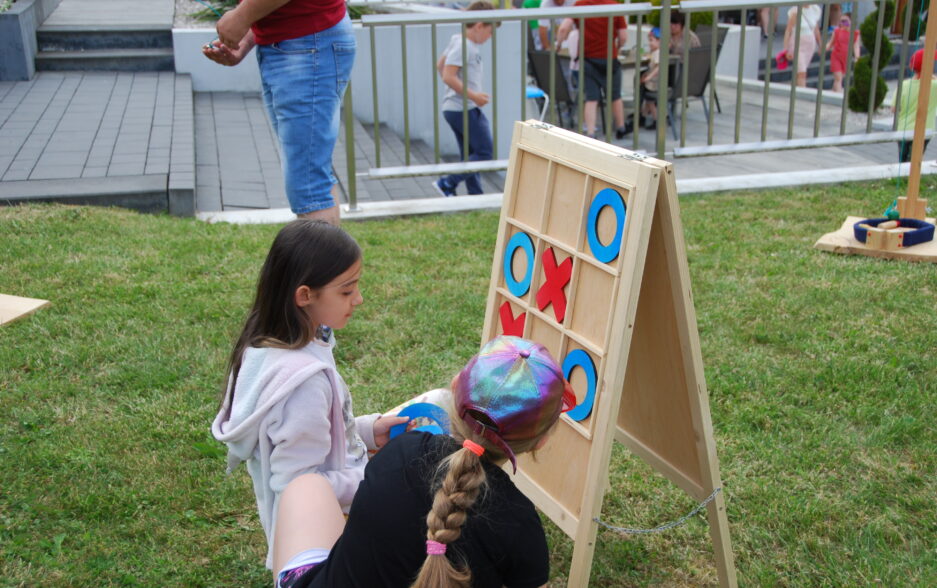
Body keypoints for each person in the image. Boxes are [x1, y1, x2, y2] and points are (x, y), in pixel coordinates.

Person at [272, 335, 577, 587]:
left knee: (305, 487)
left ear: (455, 388)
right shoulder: (521, 524)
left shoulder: (400, 453)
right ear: (541, 440)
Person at [211, 219, 408, 570]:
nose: (358, 299)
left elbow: (314, 436)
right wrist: (376, 477)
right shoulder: (302, 384)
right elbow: (298, 489)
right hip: (328, 543)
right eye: (346, 291)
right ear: (305, 296)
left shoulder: (284, 345)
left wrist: (365, 431)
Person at [201, 1, 355, 226]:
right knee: (309, 179)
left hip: (308, 44)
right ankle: (324, 261)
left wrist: (242, 17)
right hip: (298, 45)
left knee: (309, 185)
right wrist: (249, 34)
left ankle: (323, 262)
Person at [432, 1, 498, 197]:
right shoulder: (464, 45)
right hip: (464, 108)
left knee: (469, 155)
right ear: (479, 26)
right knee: (485, 153)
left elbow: (440, 65)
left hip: (456, 108)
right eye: (490, 31)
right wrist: (474, 96)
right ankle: (446, 183)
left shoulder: (457, 40)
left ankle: (474, 194)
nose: (490, 37)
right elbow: (448, 75)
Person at [556, 0, 631, 140]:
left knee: (591, 98)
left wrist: (559, 44)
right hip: (610, 59)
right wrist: (618, 47)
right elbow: (623, 37)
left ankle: (591, 132)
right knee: (615, 96)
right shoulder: (614, 6)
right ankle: (621, 128)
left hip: (588, 60)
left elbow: (563, 29)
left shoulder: (580, 5)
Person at [892, 49, 937, 163]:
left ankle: (902, 180)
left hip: (903, 129)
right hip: (924, 130)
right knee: (915, 162)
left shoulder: (904, 85)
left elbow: (894, 109)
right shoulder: (934, 86)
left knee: (903, 161)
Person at [783, 4, 823, 87]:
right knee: (802, 72)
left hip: (810, 45)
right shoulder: (795, 12)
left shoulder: (814, 10)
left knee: (800, 72)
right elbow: (788, 31)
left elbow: (816, 30)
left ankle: (794, 90)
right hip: (797, 44)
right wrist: (785, 49)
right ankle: (802, 92)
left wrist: (820, 45)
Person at [825, 15, 860, 93]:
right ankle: (838, 94)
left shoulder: (855, 33)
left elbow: (856, 46)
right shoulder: (837, 31)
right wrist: (825, 48)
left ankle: (834, 93)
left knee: (839, 79)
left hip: (846, 58)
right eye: (841, 21)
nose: (843, 23)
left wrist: (857, 57)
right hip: (836, 56)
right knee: (838, 78)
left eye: (845, 21)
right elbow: (831, 43)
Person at [640, 28, 662, 130]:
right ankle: (643, 116)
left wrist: (649, 77)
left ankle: (656, 119)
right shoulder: (655, 52)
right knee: (648, 101)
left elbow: (658, 67)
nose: (650, 43)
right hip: (651, 83)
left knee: (650, 101)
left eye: (651, 40)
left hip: (653, 84)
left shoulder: (658, 53)